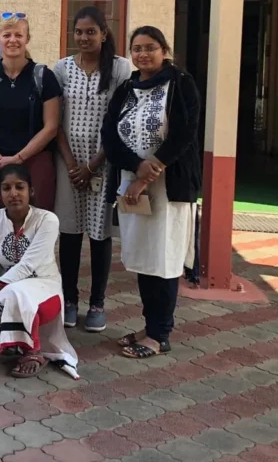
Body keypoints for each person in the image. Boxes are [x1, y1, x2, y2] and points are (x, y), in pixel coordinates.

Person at [102, 26, 201, 359]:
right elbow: (109, 134)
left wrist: (149, 171)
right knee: (144, 258)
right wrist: (135, 166)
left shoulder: (181, 83)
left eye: (150, 48)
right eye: (137, 48)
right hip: (132, 187)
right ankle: (150, 326)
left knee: (165, 258)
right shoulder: (127, 88)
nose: (143, 54)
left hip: (168, 189)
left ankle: (160, 335)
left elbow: (184, 132)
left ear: (164, 51)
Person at [53, 6, 133, 332]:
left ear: (104, 33)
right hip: (68, 164)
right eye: (79, 32)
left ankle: (97, 303)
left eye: (91, 31)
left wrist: (93, 164)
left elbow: (123, 122)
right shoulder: (61, 68)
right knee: (70, 233)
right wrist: (73, 164)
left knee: (100, 235)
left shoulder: (120, 69)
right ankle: (70, 301)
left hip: (104, 162)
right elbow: (55, 120)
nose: (84, 37)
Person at [0, 164, 79, 379]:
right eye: (6, 188)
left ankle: (34, 351)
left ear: (31, 191)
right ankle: (10, 340)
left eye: (19, 187)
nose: (13, 193)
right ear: (0, 194)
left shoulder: (47, 220)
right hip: (5, 289)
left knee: (16, 292)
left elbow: (27, 266)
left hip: (45, 289)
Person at [0, 12, 61, 211]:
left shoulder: (43, 76)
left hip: (35, 161)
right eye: (7, 35)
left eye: (18, 35)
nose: (13, 40)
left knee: (36, 219)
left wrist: (18, 158)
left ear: (27, 39)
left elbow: (51, 127)